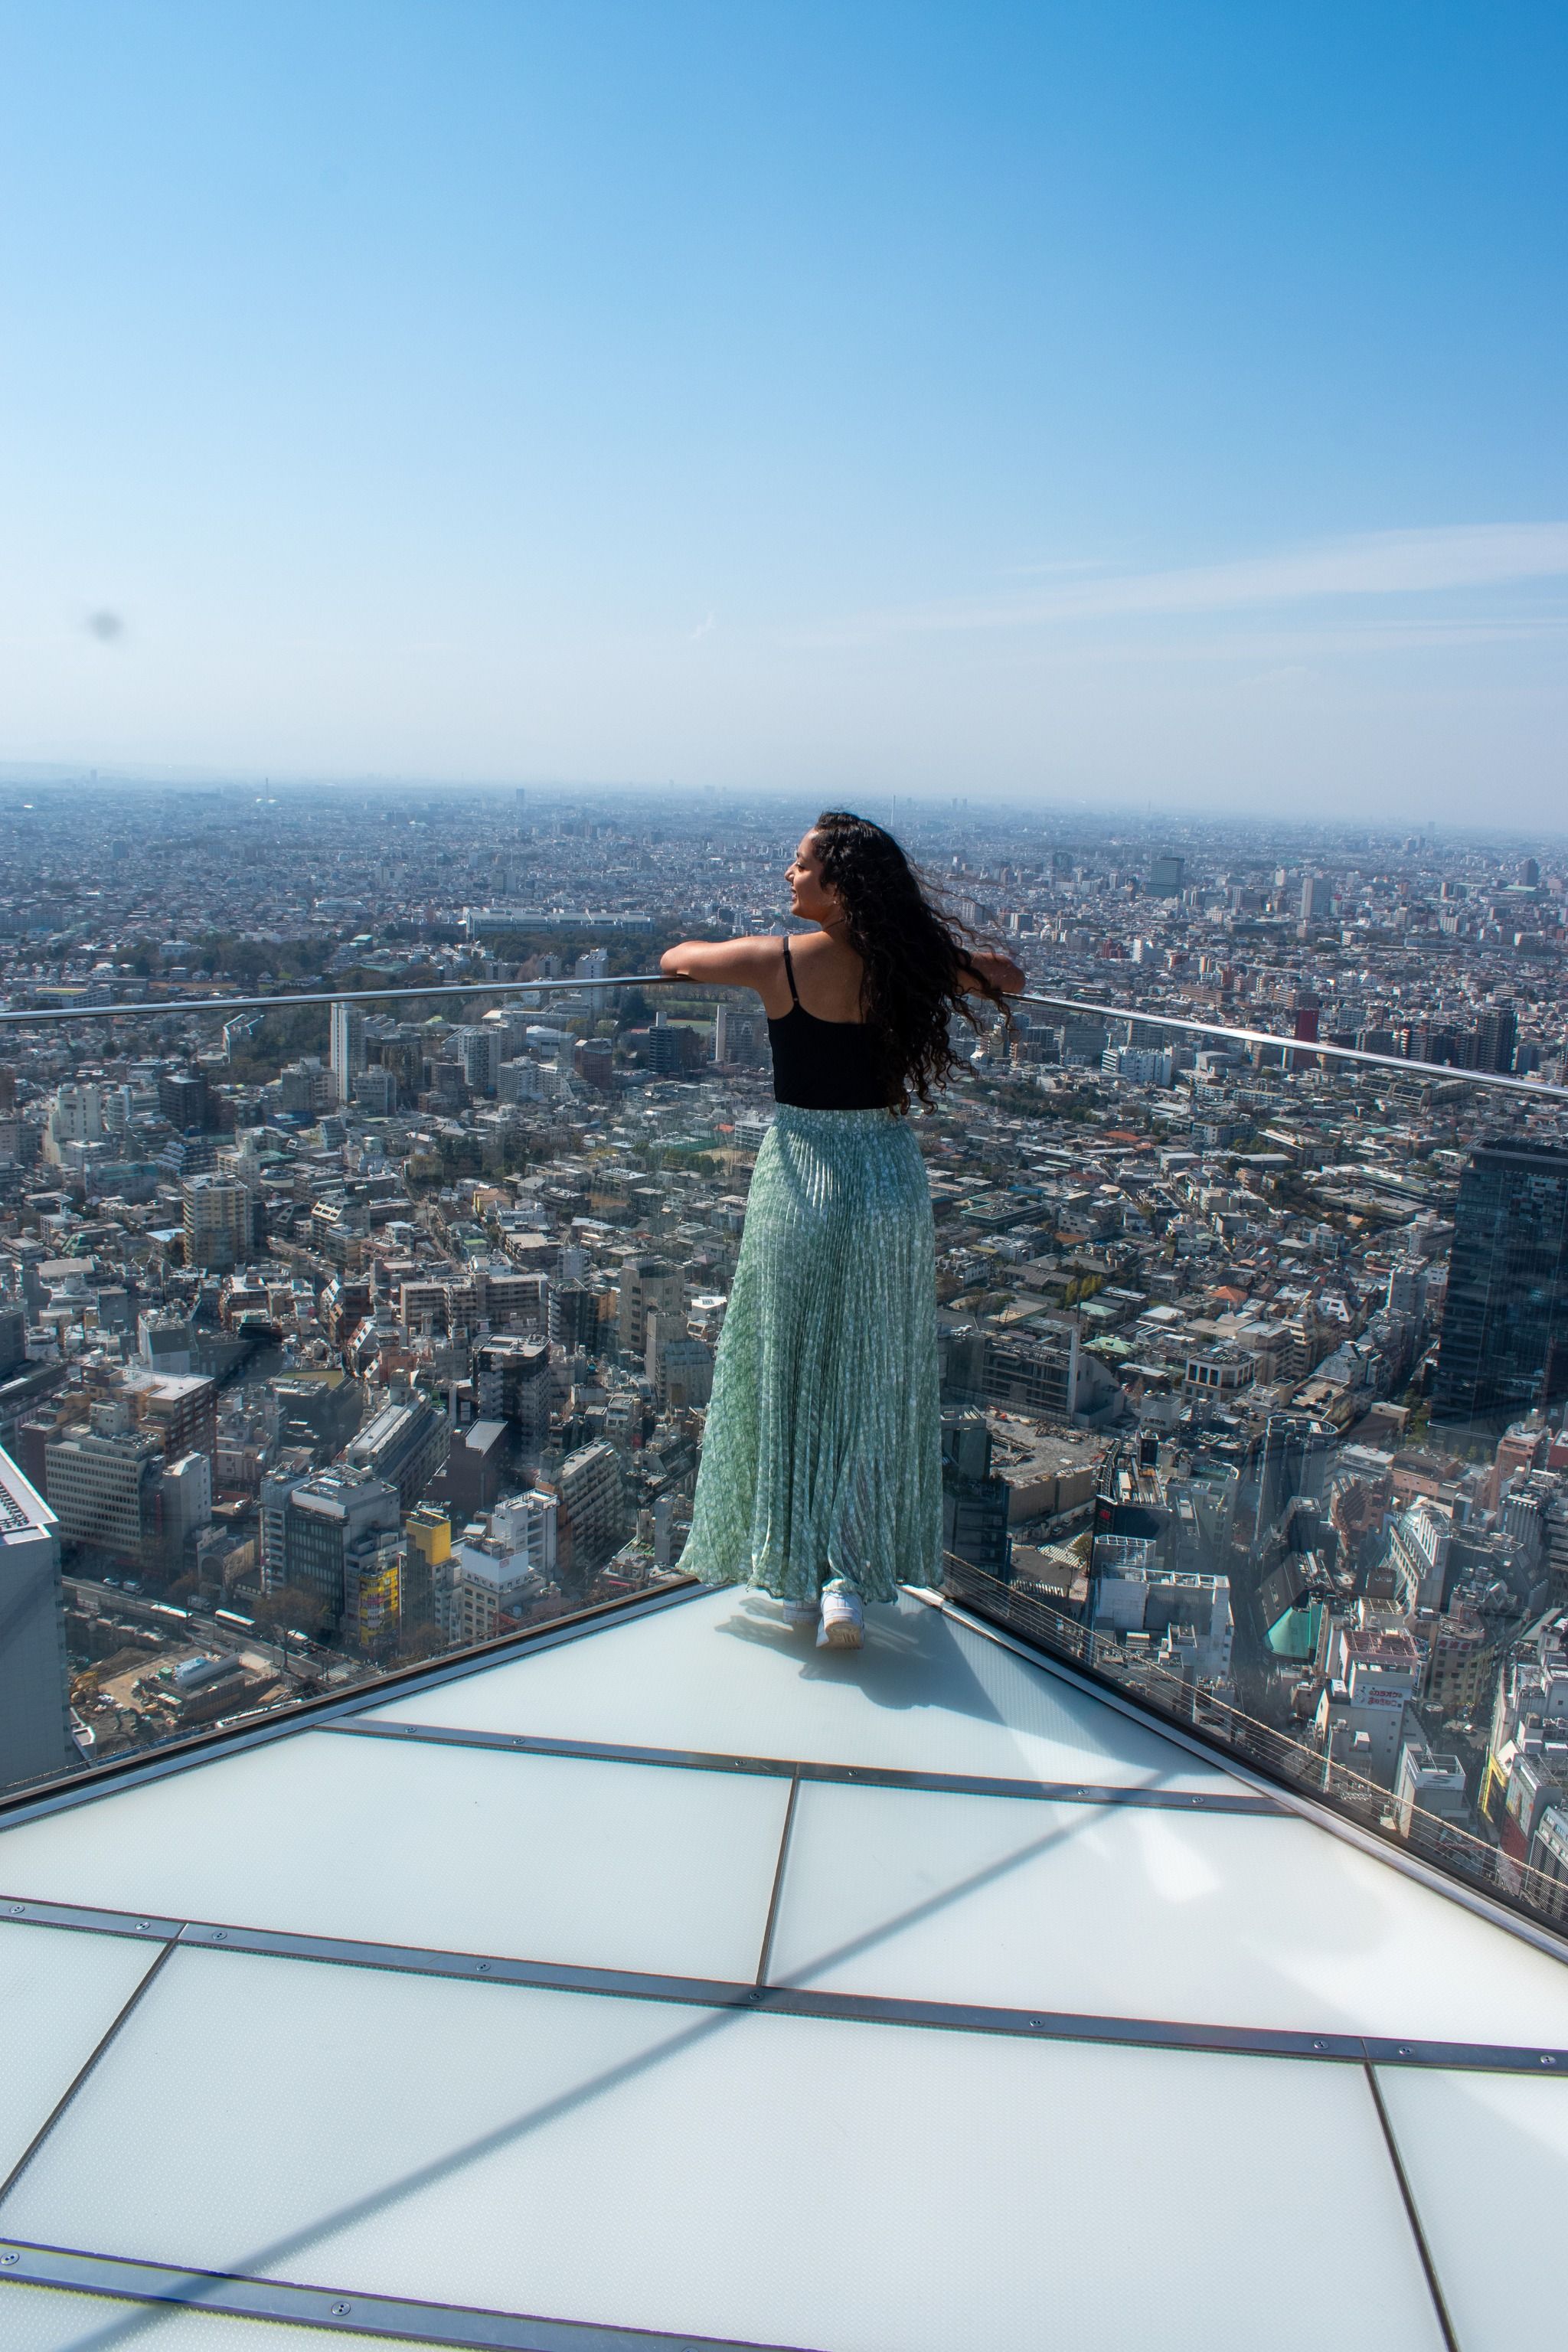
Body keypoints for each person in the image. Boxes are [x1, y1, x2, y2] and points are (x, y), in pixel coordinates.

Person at [658, 811, 1023, 1649]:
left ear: (836, 885)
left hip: (799, 1175)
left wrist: (697, 950)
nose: (787, 876)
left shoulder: (773, 961)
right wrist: (930, 952)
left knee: (789, 1368)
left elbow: (675, 961)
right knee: (868, 1375)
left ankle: (789, 1571)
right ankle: (846, 1584)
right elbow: (1009, 974)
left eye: (799, 865)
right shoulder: (907, 965)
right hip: (887, 1180)